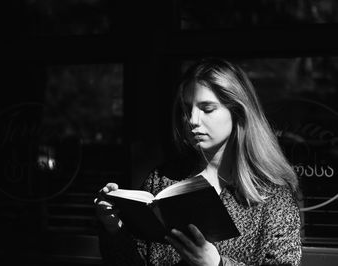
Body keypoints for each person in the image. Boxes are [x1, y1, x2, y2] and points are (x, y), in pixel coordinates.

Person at [94, 58, 302, 266]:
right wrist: (114, 227)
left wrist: (217, 264)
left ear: (237, 112)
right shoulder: (164, 179)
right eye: (187, 109)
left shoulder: (272, 193)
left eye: (207, 108)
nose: (193, 120)